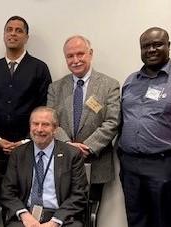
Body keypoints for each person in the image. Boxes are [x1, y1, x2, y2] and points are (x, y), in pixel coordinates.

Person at [118, 27, 171, 227]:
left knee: (164, 221)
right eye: (146, 46)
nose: (151, 49)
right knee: (135, 220)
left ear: (168, 46)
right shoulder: (130, 81)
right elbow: (123, 120)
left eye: (157, 44)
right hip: (130, 164)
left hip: (165, 164)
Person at [47, 35, 120, 226]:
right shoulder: (55, 88)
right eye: (70, 56)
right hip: (62, 163)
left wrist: (86, 147)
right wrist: (70, 147)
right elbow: (50, 121)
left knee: (89, 216)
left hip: (96, 163)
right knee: (63, 214)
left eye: (80, 54)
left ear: (91, 54)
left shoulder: (109, 85)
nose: (75, 60)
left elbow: (112, 122)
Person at [0, 15, 52, 194]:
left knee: (25, 194)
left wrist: (25, 140)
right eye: (9, 30)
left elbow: (44, 108)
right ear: (4, 35)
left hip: (30, 146)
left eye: (19, 30)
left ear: (26, 37)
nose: (13, 34)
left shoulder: (39, 68)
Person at [0, 106, 87, 227]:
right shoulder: (18, 154)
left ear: (55, 129)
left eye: (45, 124)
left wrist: (55, 222)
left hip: (61, 216)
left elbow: (79, 194)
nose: (39, 129)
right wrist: (24, 215)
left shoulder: (72, 154)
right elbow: (7, 191)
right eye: (35, 124)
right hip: (26, 216)